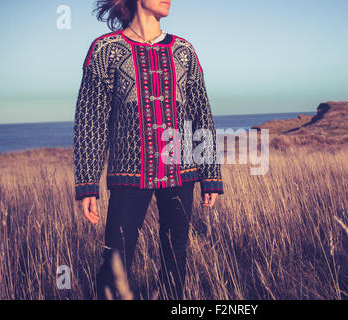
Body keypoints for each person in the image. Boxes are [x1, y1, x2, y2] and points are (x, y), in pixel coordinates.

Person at [72, 0, 224, 300]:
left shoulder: (184, 50)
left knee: (175, 256)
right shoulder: (105, 50)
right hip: (129, 172)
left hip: (181, 171)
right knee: (116, 257)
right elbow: (91, 119)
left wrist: (210, 174)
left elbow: (201, 113)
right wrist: (87, 183)